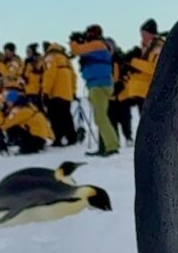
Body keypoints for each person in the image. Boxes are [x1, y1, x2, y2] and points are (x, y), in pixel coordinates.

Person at [69, 24, 120, 156]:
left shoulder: (97, 44)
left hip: (98, 85)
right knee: (100, 116)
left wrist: (74, 41)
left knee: (101, 117)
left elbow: (76, 51)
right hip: (99, 84)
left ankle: (112, 146)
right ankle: (105, 146)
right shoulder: (98, 46)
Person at [41, 40, 79, 147]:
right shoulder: (66, 59)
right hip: (67, 93)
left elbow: (49, 75)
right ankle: (71, 137)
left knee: (55, 117)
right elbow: (74, 76)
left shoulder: (50, 57)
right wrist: (73, 91)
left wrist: (45, 92)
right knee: (66, 116)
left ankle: (58, 138)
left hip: (55, 93)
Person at [1, 89, 54, 155]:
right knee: (18, 127)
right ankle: (25, 145)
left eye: (8, 101)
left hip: (36, 140)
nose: (7, 103)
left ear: (13, 100)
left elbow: (7, 124)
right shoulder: (29, 106)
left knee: (13, 128)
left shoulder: (20, 110)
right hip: (41, 139)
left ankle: (27, 147)